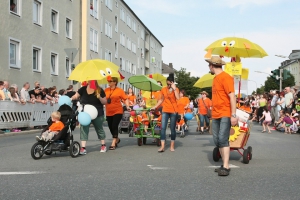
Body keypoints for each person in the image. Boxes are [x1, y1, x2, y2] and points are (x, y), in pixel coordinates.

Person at [206, 56, 238, 176]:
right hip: (215, 114)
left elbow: (232, 96)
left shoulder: (226, 77)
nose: (209, 67)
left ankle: (226, 166)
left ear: (212, 66)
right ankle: (223, 164)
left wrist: (233, 115)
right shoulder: (215, 79)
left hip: (225, 113)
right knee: (217, 140)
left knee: (223, 139)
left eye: (209, 65)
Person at [71, 80, 107, 154]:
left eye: (92, 80)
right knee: (84, 129)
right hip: (86, 113)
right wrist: (71, 98)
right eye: (89, 80)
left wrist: (99, 96)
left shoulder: (100, 90)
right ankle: (83, 148)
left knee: (99, 128)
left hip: (97, 113)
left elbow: (104, 102)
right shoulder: (83, 89)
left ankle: (103, 145)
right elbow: (76, 95)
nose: (90, 82)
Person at [152, 74, 180, 152]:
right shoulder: (163, 89)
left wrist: (174, 89)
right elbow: (161, 100)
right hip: (165, 110)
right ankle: (162, 146)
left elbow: (178, 98)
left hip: (173, 111)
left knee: (172, 129)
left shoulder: (176, 89)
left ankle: (172, 146)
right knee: (163, 128)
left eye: (170, 84)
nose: (168, 85)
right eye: (167, 84)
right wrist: (155, 107)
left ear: (172, 83)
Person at [105, 77, 131, 150]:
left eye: (110, 81)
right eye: (108, 81)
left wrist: (128, 106)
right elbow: (103, 99)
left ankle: (113, 142)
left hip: (117, 111)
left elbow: (125, 99)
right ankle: (117, 138)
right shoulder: (106, 90)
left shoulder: (120, 90)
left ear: (115, 82)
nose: (109, 82)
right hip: (108, 111)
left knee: (114, 125)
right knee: (110, 126)